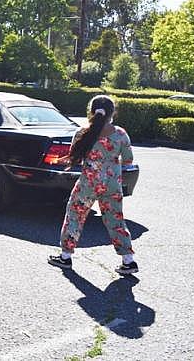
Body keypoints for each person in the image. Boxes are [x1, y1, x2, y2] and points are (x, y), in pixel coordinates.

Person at [48, 95, 138, 275]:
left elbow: (76, 157)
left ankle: (65, 256)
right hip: (112, 184)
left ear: (91, 111)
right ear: (112, 113)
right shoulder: (120, 134)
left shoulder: (83, 132)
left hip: (88, 183)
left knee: (75, 215)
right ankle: (128, 261)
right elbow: (128, 161)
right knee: (115, 220)